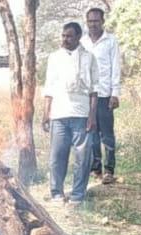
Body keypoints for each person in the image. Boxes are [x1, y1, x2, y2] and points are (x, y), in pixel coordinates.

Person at [42, 22, 99, 204]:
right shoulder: (54, 58)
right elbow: (49, 87)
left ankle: (77, 195)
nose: (65, 39)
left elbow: (94, 90)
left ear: (78, 37)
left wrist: (92, 116)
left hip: (81, 114)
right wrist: (46, 113)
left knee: (83, 157)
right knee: (57, 156)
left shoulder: (89, 58)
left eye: (69, 36)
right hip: (59, 114)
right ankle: (57, 193)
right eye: (63, 36)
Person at [81, 8, 121, 184]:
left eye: (96, 21)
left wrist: (115, 93)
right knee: (92, 133)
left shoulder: (110, 41)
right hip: (87, 96)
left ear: (103, 21)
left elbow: (115, 68)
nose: (93, 24)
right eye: (90, 21)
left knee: (107, 135)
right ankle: (95, 169)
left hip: (105, 94)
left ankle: (109, 171)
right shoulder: (82, 42)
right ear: (86, 22)